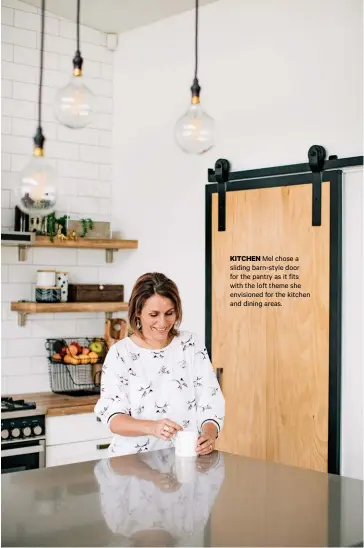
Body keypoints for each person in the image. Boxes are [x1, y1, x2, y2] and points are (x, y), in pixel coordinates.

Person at [94, 272, 225, 457]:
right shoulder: (120, 354)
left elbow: (210, 401)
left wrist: (209, 436)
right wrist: (152, 427)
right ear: (138, 312)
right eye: (154, 314)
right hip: (133, 465)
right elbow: (113, 418)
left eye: (169, 313)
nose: (162, 323)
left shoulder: (190, 344)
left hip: (184, 460)